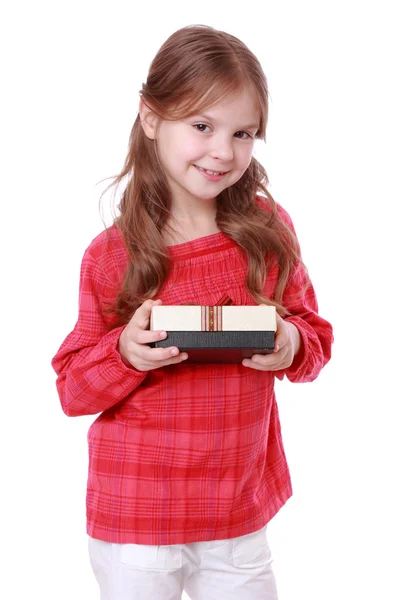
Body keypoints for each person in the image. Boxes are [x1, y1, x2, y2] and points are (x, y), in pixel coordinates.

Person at [52, 24, 333, 600]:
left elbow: (315, 342)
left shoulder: (267, 230)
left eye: (243, 132)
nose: (224, 151)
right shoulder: (111, 255)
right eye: (201, 126)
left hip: (236, 511)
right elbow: (71, 391)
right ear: (151, 117)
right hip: (138, 518)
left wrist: (289, 343)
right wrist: (123, 352)